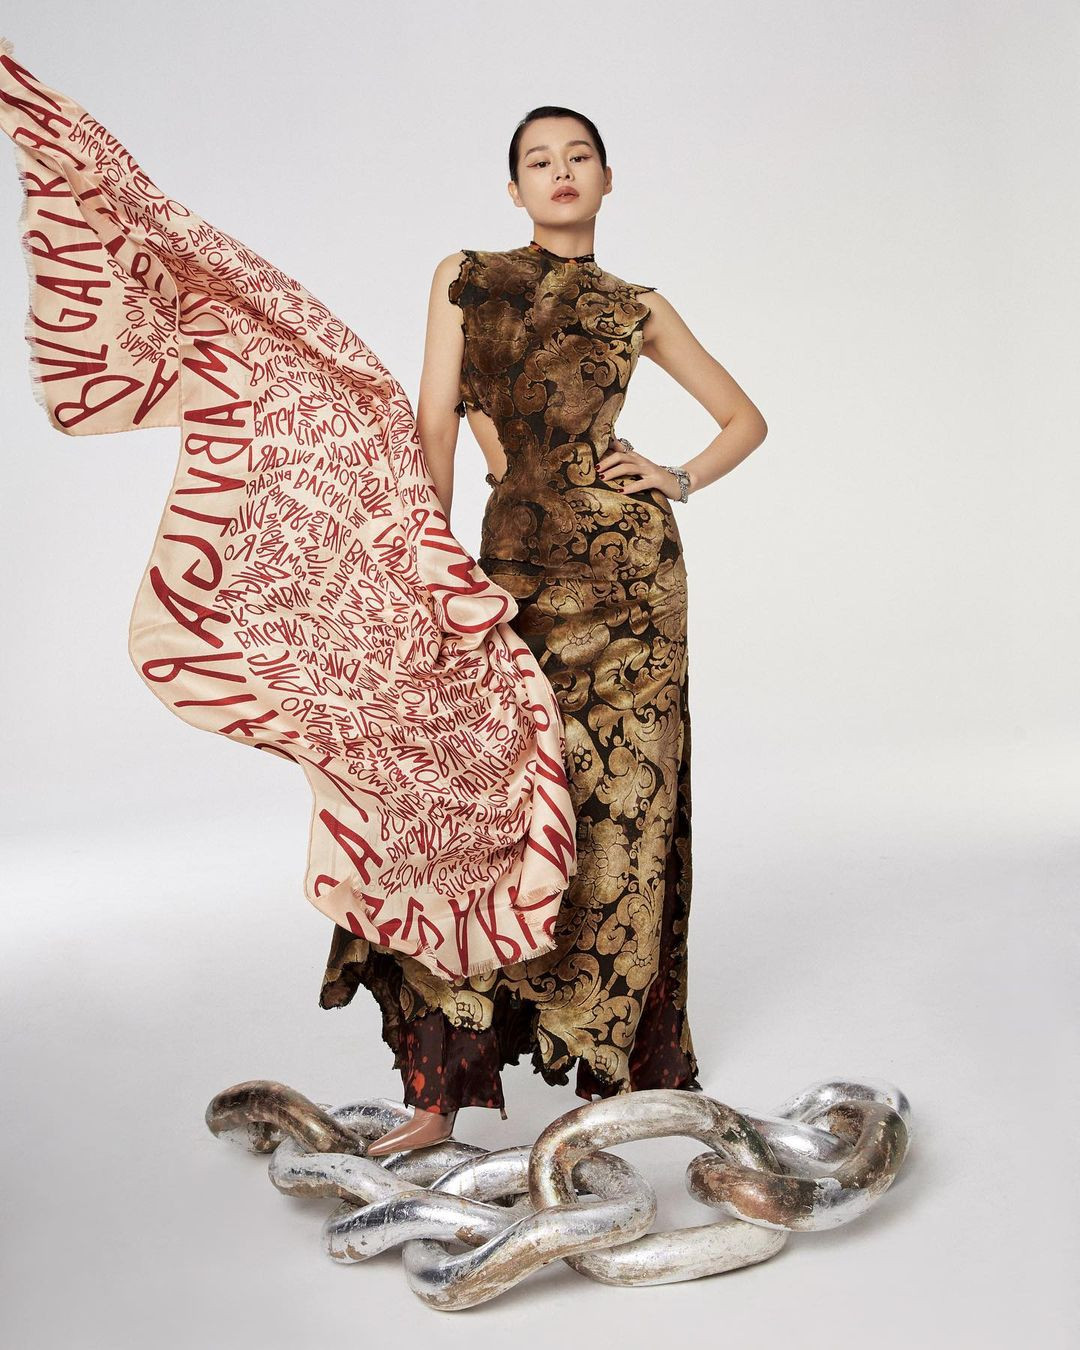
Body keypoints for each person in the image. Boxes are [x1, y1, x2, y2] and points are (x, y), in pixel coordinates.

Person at [319, 105, 770, 1155]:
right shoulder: (467, 279)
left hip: (632, 597)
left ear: (608, 180)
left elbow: (746, 419)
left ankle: (605, 1077)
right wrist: (427, 572)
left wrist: (674, 477)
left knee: (623, 818)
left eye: (579, 157)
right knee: (478, 805)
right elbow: (433, 432)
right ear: (514, 189)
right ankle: (439, 1091)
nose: (561, 172)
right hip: (515, 579)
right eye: (539, 160)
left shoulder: (635, 306)